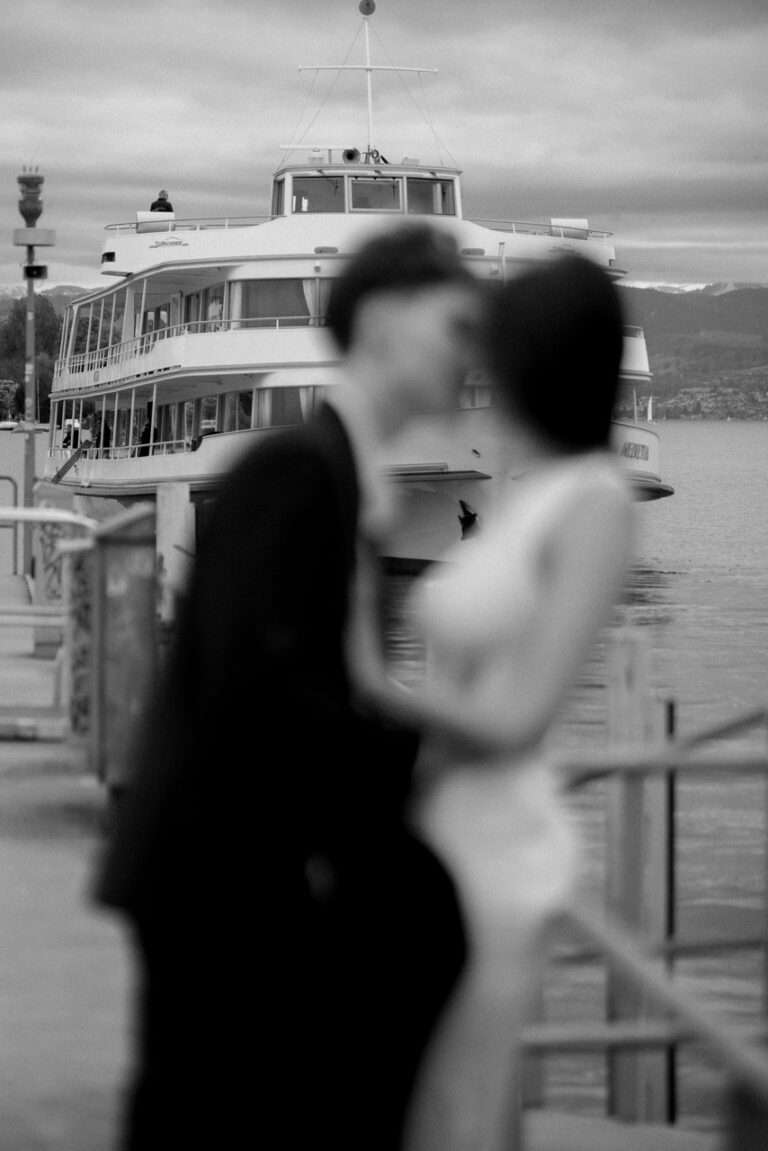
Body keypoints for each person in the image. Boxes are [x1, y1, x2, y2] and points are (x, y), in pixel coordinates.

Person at [93, 222, 480, 1150]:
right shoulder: (296, 474)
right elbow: (256, 689)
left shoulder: (331, 473)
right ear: (385, 323)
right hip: (215, 886)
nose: (471, 351)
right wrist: (409, 765)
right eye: (455, 325)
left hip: (234, 872)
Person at [347, 253, 635, 1150]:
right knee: (428, 1107)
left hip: (496, 848)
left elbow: (518, 720)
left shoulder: (596, 501)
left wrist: (366, 679)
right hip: (439, 837)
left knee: (456, 1113)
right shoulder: (527, 489)